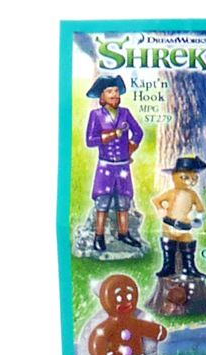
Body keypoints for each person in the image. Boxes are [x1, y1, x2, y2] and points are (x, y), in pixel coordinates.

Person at [84, 75, 144, 252]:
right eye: (110, 91)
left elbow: (138, 132)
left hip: (123, 166)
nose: (115, 95)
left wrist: (130, 149)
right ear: (102, 96)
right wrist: (112, 135)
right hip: (106, 167)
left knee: (124, 200)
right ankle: (99, 235)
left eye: (116, 91)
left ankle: (123, 233)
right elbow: (90, 140)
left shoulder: (125, 113)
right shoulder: (96, 115)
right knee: (102, 201)